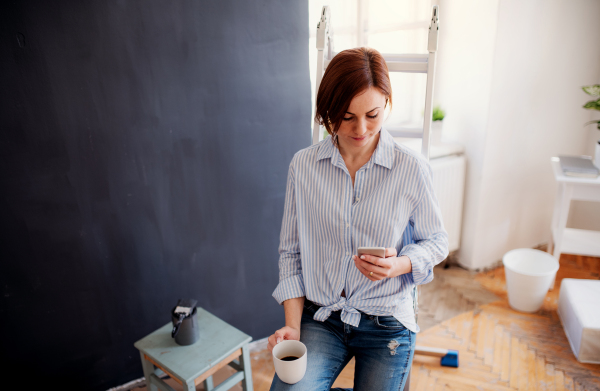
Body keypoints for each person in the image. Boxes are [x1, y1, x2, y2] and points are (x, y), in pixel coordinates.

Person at [268, 47, 449, 391]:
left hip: (387, 322)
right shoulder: (303, 167)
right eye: (346, 116)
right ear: (327, 111)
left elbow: (437, 241)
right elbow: (290, 254)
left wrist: (401, 265)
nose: (361, 129)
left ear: (387, 105)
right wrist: (292, 327)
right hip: (322, 319)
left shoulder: (412, 169)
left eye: (373, 114)